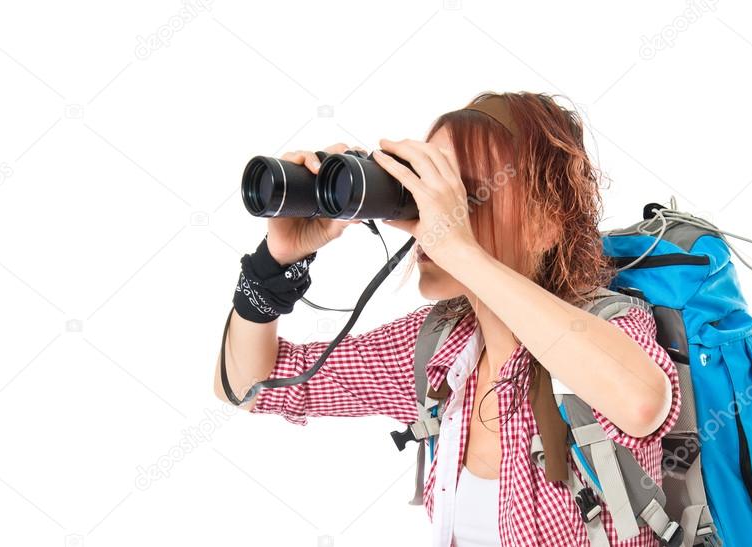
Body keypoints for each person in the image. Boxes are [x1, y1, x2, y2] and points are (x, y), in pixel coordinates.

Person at [217, 91, 681, 547]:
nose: (429, 216)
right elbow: (247, 386)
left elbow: (641, 402)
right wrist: (274, 264)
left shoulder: (607, 328)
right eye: (423, 189)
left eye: (463, 193)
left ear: (545, 224)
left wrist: (457, 247)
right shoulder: (443, 348)